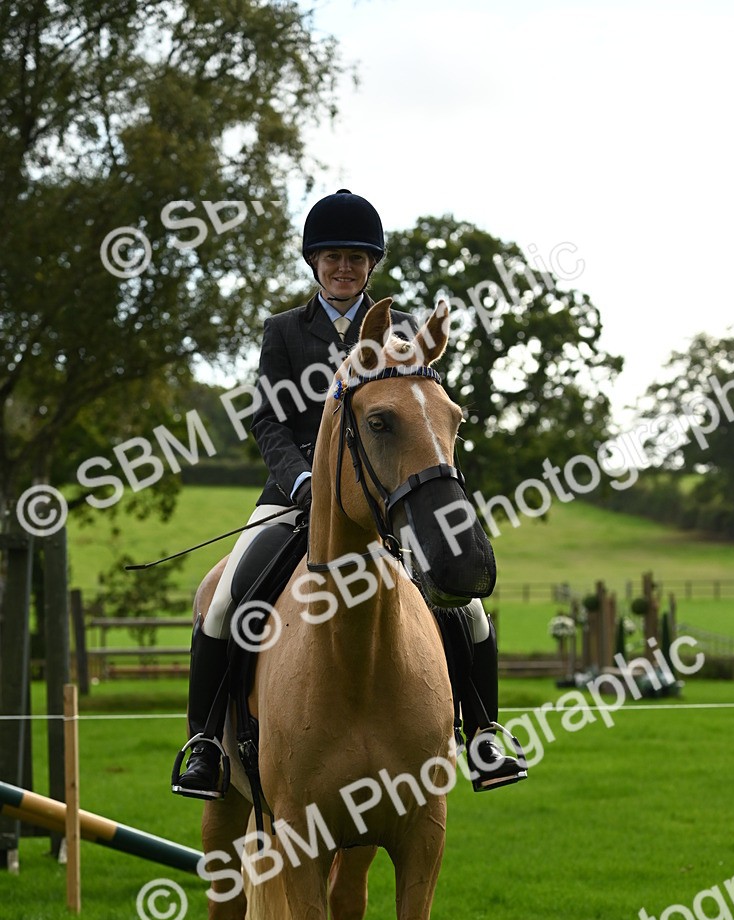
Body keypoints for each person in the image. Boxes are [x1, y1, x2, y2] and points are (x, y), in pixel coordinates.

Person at [172, 189, 526, 799]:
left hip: (385, 499)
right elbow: (268, 421)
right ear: (314, 262)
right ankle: (205, 742)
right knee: (226, 597)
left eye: (356, 258)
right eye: (333, 256)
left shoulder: (404, 331)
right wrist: (304, 480)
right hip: (295, 495)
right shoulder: (285, 331)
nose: (344, 268)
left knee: (464, 607)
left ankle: (483, 732)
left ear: (371, 265)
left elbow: (421, 415)